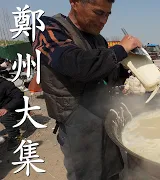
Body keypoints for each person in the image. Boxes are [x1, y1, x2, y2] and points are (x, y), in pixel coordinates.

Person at [28, 0, 142, 179]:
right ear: (74, 3)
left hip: (105, 119)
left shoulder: (99, 39)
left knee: (113, 171)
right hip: (77, 126)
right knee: (88, 174)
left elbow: (107, 72)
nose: (104, 20)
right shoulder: (48, 29)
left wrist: (134, 74)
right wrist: (120, 49)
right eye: (98, 13)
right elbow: (78, 65)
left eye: (107, 14)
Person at [0, 77, 24, 151]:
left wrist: (6, 108)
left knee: (4, 117)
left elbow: (19, 96)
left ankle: (15, 137)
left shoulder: (5, 84)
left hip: (16, 109)